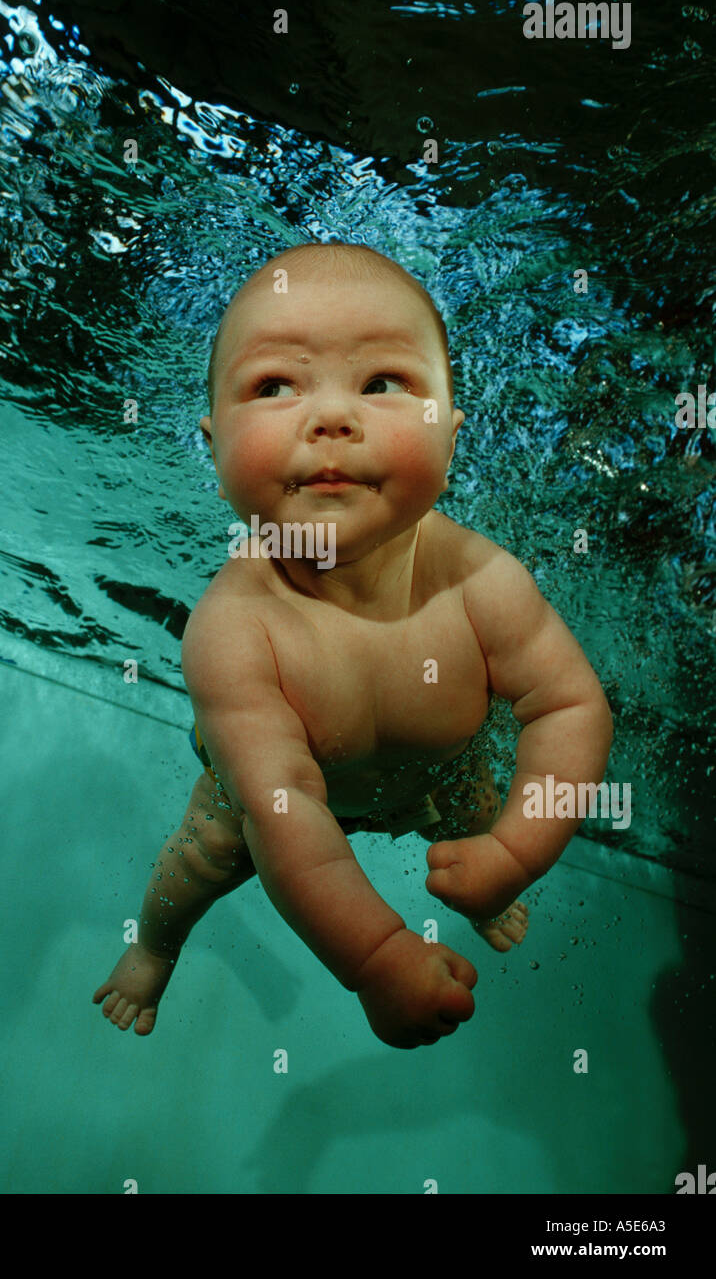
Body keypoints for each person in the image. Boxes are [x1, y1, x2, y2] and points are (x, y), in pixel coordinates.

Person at [93, 242, 613, 1049]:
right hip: (262, 805)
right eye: (274, 386)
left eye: (382, 383)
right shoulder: (234, 633)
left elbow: (572, 707)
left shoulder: (482, 582)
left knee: (476, 817)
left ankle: (489, 876)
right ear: (214, 444)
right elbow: (286, 807)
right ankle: (155, 946)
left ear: (452, 434)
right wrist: (375, 959)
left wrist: (516, 849)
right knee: (199, 859)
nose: (332, 418)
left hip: (443, 771)